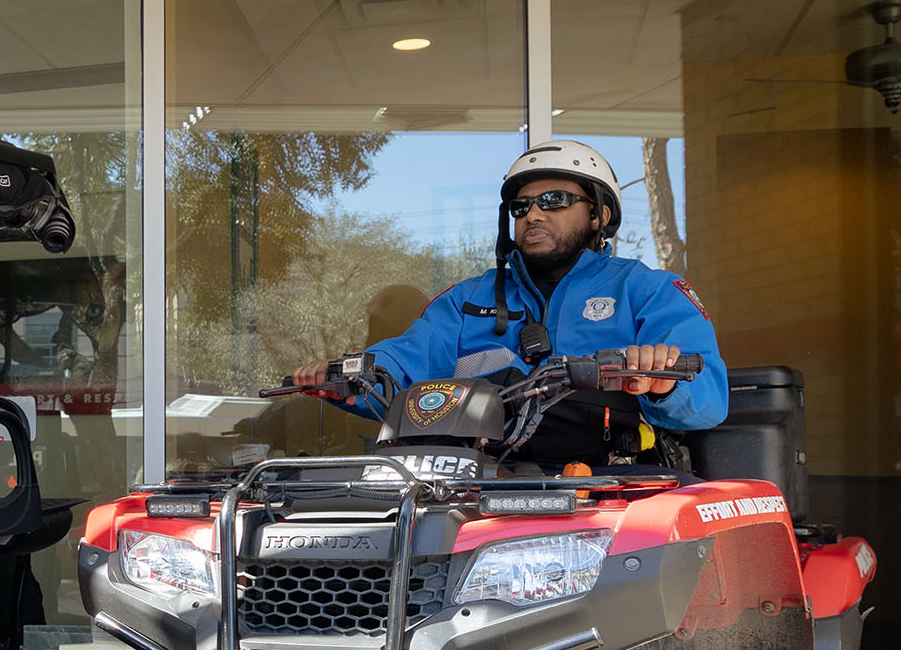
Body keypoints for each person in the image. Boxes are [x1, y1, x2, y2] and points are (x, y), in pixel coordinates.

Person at [289, 140, 727, 466]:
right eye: (521, 207)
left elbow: (707, 396)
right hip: (480, 486)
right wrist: (349, 378)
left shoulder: (649, 290)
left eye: (553, 201)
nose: (533, 215)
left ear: (599, 215)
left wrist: (664, 383)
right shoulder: (466, 299)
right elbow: (404, 362)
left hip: (614, 487)